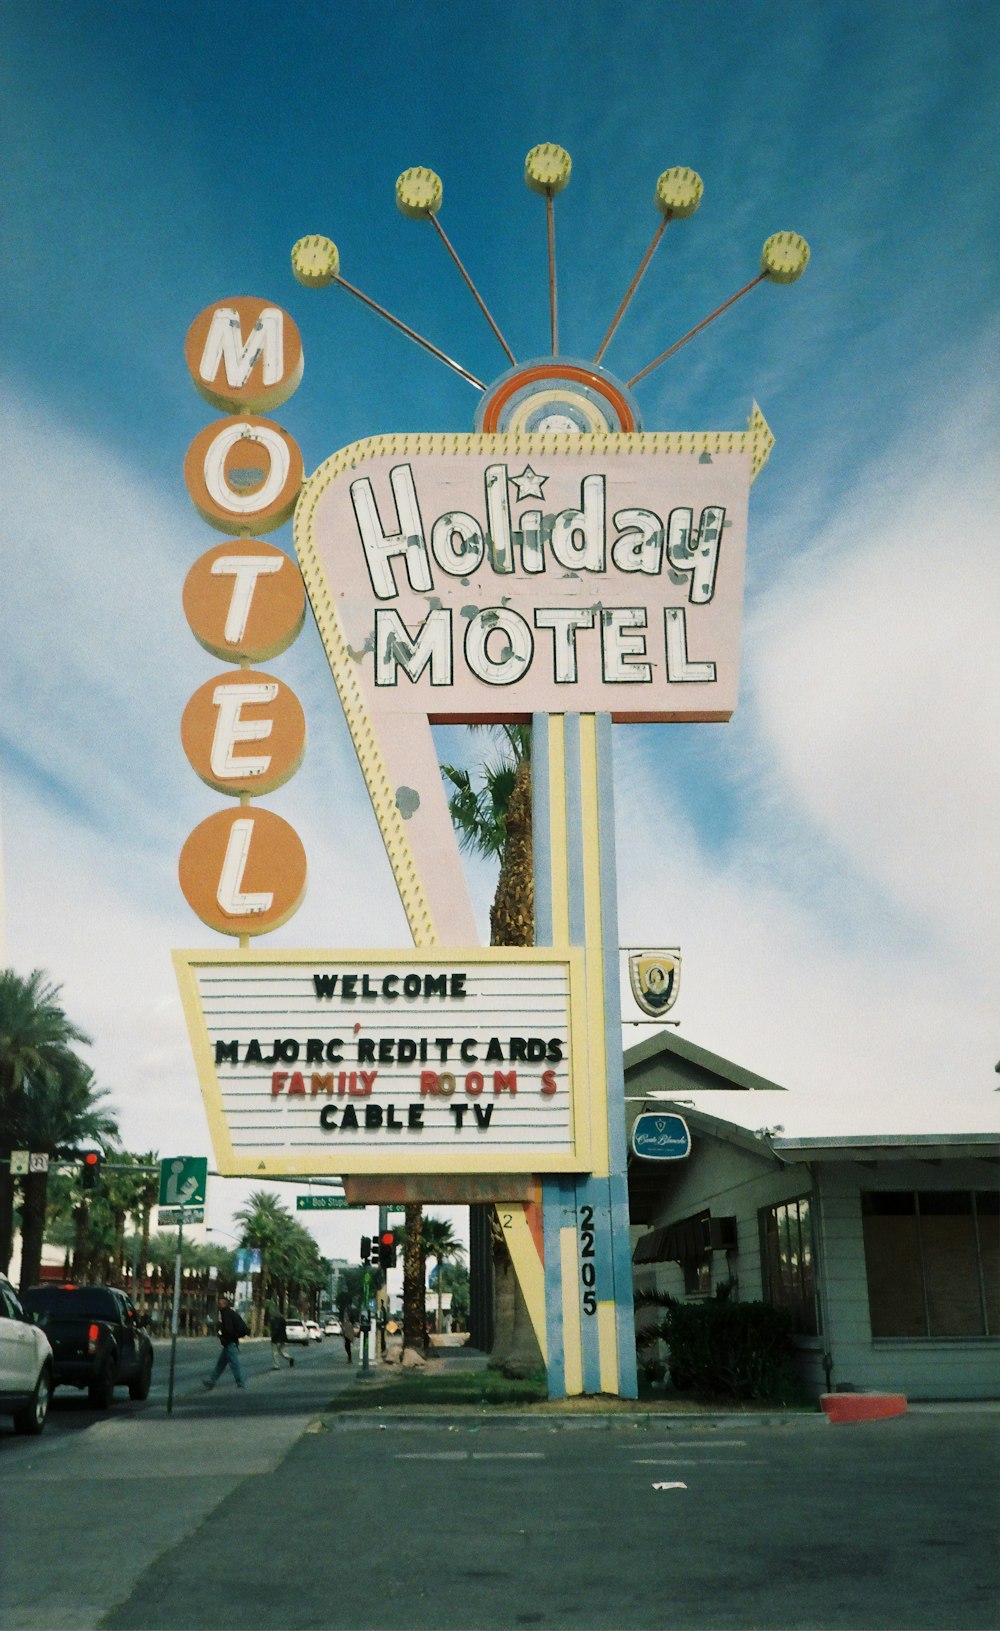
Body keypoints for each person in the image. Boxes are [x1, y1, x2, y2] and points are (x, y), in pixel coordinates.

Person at [202, 1293, 248, 1390]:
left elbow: (228, 1328)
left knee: (234, 1363)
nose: (218, 1305)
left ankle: (240, 1383)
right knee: (221, 1364)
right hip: (229, 1342)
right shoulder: (229, 1313)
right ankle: (212, 1381)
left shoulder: (226, 1314)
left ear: (224, 1304)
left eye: (220, 1303)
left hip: (230, 1343)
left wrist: (222, 1335)